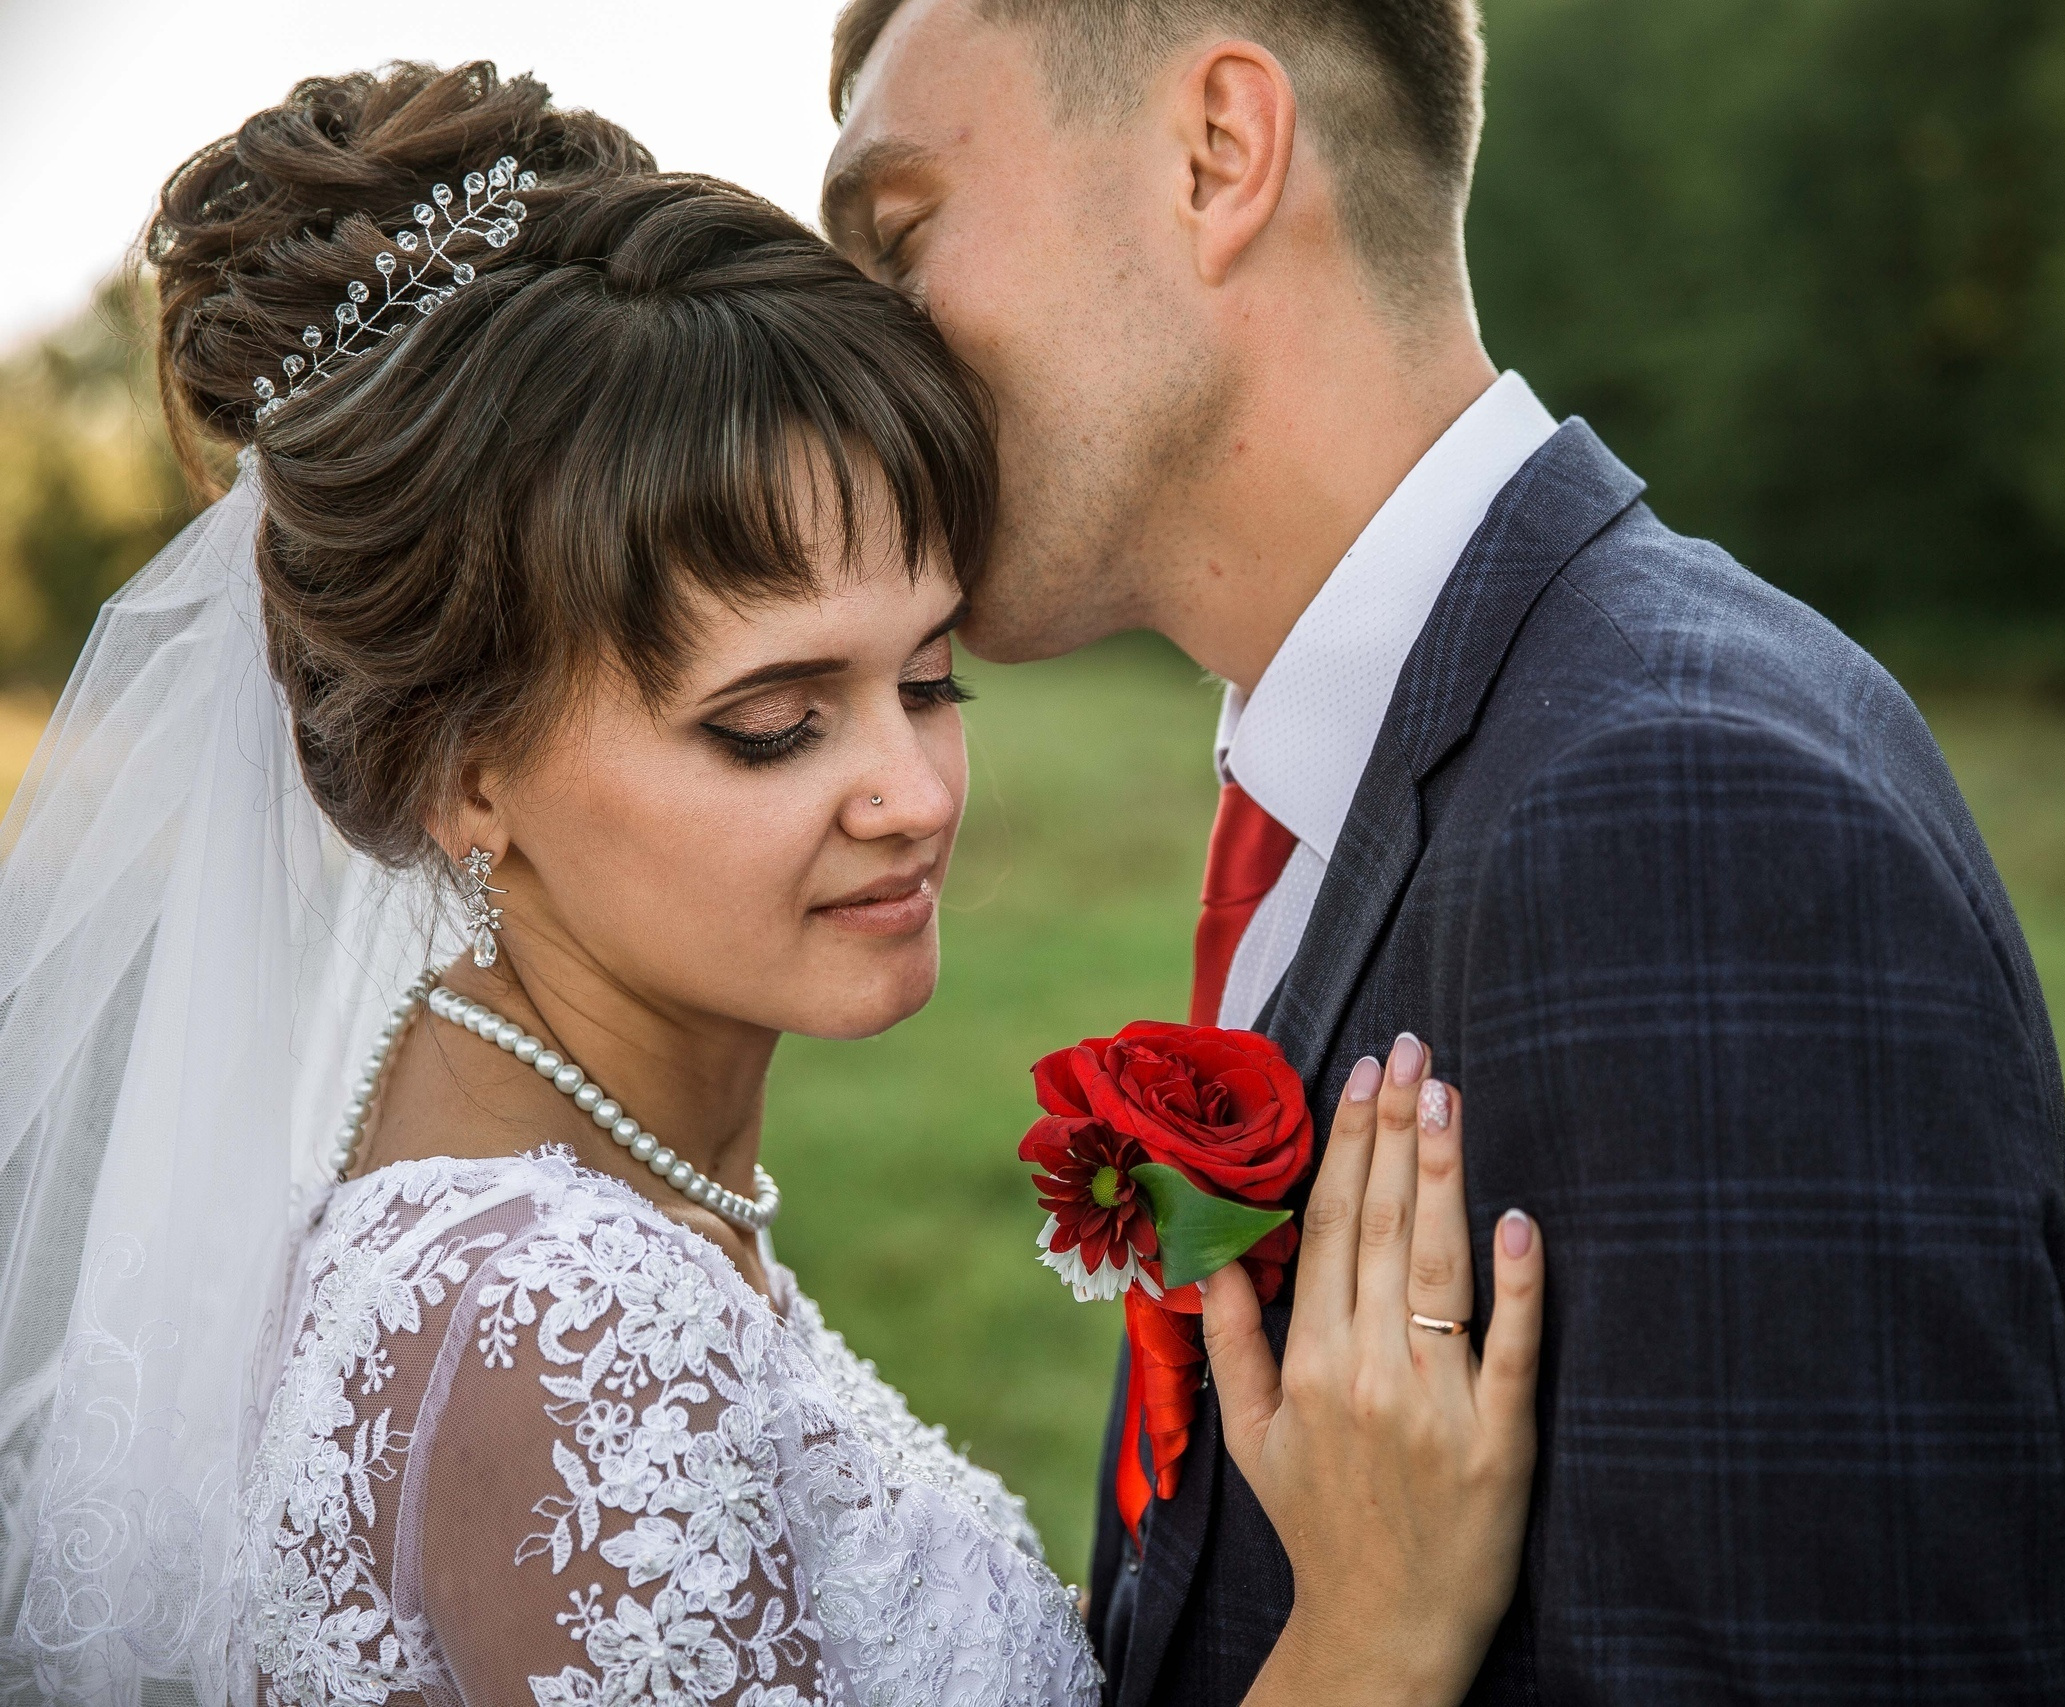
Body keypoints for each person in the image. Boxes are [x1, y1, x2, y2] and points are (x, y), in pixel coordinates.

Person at [0, 63, 1547, 1707]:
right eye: (775, 725)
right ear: (467, 775)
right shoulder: (561, 1332)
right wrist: (1372, 1634)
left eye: (932, 680)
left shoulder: (564, 1205)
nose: (913, 792)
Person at [822, 2, 2065, 1703]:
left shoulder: (1684, 818)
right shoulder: (1382, 764)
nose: (864, 360)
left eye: (901, 239)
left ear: (1218, 155)